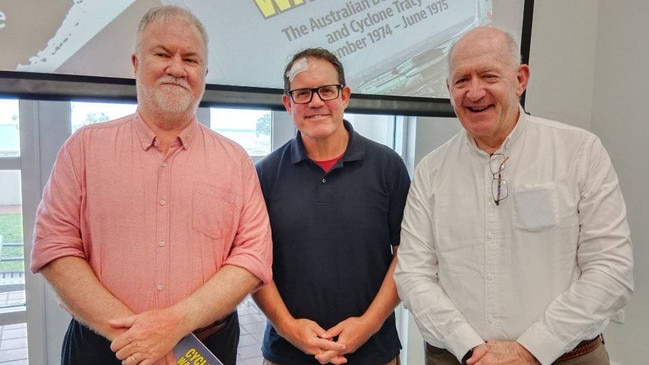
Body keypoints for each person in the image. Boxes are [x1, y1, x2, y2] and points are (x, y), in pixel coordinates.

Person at [30, 5, 273, 365]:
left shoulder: (235, 160)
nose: (177, 68)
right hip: (103, 346)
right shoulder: (84, 148)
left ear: (203, 73)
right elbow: (55, 246)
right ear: (136, 63)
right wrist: (135, 338)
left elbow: (253, 256)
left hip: (203, 351)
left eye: (190, 59)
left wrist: (173, 327)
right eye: (162, 54)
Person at [394, 26, 634, 365]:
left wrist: (532, 348)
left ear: (520, 79)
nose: (474, 92)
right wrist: (470, 348)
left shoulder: (579, 152)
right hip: (458, 357)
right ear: (449, 90)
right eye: (461, 81)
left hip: (566, 356)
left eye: (488, 76)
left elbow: (612, 270)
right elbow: (413, 274)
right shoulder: (431, 171)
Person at [253, 48, 411, 365]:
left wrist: (369, 324)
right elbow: (252, 264)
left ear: (344, 96)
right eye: (302, 93)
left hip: (373, 352)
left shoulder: (387, 167)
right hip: (288, 353)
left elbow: (407, 253)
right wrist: (287, 328)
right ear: (288, 103)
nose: (315, 101)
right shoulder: (265, 175)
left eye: (327, 90)